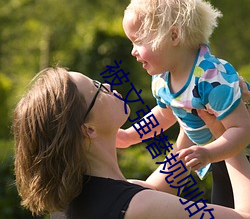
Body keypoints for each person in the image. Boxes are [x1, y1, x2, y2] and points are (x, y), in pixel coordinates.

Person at [13, 67, 250, 219]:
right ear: (88, 129)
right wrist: (227, 134)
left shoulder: (80, 202)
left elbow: (154, 187)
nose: (107, 85)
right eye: (97, 89)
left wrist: (192, 104)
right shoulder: (138, 206)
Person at [120, 0, 250, 207]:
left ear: (173, 36)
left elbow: (242, 129)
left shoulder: (211, 78)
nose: (133, 51)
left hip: (239, 155)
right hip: (218, 155)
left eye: (138, 41)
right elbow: (165, 115)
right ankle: (146, 191)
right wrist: (130, 135)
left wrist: (208, 153)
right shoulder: (162, 79)